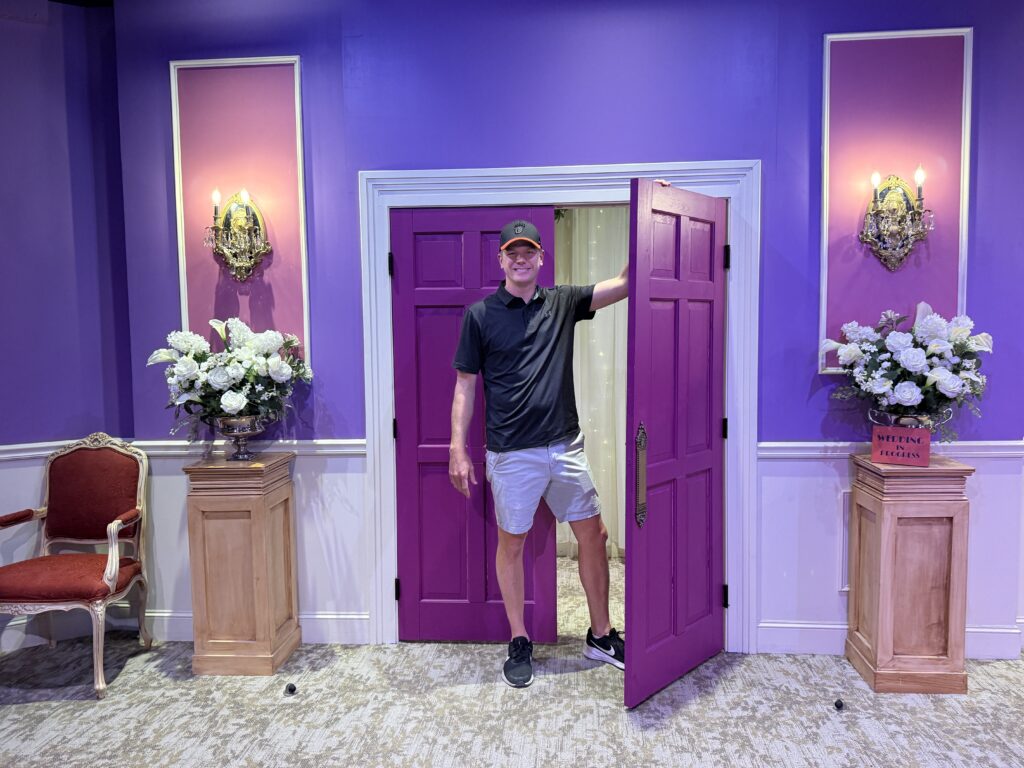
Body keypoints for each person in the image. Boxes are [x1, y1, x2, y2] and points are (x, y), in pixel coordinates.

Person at [449, 218, 628, 688]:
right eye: (513, 251)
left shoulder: (564, 301)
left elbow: (629, 282)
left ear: (541, 258)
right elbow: (465, 385)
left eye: (529, 251)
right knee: (513, 544)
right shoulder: (481, 315)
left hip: (565, 447)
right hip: (511, 454)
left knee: (595, 533)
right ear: (502, 259)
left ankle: (601, 635)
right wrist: (456, 448)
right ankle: (520, 639)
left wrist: (659, 210)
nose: (521, 258)